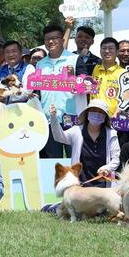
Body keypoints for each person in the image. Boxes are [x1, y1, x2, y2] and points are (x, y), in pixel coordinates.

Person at [36, 24, 85, 158]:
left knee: (74, 160)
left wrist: (74, 77)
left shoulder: (75, 59)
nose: (50, 41)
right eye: (47, 39)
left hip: (72, 119)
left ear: (62, 40)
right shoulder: (40, 64)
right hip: (49, 120)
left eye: (54, 38)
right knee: (53, 162)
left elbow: (86, 87)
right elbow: (37, 91)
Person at [49, 100, 120, 187]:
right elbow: (59, 136)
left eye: (100, 112)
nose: (96, 114)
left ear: (105, 116)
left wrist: (106, 169)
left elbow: (116, 159)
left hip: (103, 186)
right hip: (81, 185)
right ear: (87, 113)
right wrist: (54, 118)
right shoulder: (77, 131)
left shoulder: (111, 134)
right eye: (93, 110)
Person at [91, 37, 124, 117]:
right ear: (100, 51)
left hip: (112, 118)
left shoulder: (123, 73)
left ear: (117, 52)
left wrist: (115, 114)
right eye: (104, 48)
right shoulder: (96, 69)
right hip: (93, 115)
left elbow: (125, 98)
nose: (107, 51)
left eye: (110, 48)